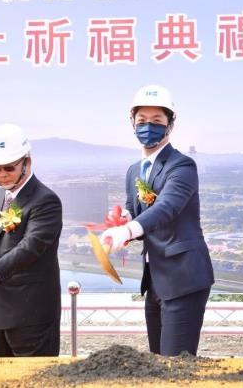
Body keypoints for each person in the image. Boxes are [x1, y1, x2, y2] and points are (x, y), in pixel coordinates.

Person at [100, 85, 214, 356]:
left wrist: (128, 230)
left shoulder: (182, 166)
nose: (148, 127)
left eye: (156, 122)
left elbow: (166, 208)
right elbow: (135, 209)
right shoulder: (133, 171)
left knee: (175, 366)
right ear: (132, 123)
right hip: (156, 280)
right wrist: (125, 218)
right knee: (156, 363)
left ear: (170, 125)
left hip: (184, 278)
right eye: (141, 122)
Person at [0, 124, 62, 357]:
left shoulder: (45, 200)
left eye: (9, 167)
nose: (2, 174)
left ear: (27, 161)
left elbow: (31, 247)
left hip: (31, 313)